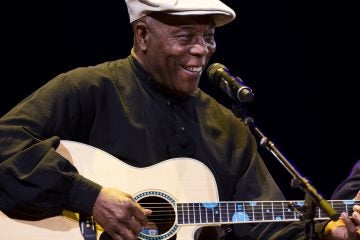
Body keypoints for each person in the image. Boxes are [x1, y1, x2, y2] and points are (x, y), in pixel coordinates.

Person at [0, 0, 358, 239]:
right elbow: (6, 142)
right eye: (186, 37)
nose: (201, 49)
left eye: (208, 37)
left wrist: (330, 232)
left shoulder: (227, 125)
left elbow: (264, 221)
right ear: (142, 35)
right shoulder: (91, 88)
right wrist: (87, 196)